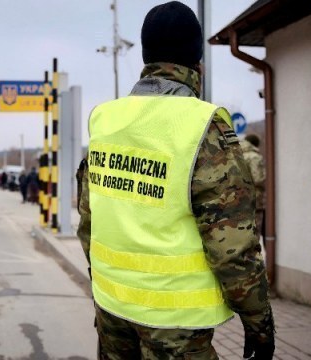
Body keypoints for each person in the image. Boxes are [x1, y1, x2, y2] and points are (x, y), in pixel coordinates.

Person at [76, 2, 274, 359]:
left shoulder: (105, 121)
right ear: (197, 62)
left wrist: (105, 282)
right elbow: (233, 248)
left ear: (146, 55)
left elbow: (88, 221)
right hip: (176, 325)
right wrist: (259, 324)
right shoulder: (202, 127)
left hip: (111, 310)